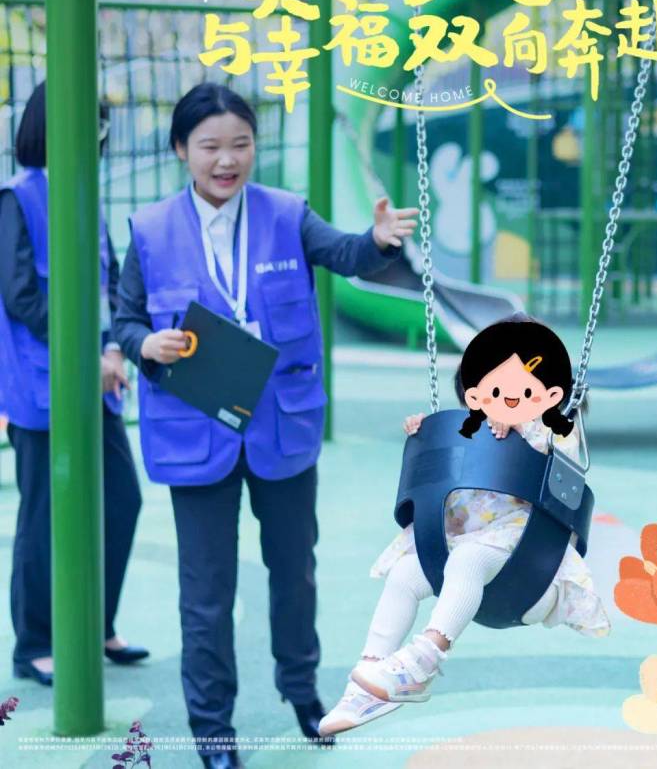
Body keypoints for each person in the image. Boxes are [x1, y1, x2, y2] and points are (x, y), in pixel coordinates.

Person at [113, 81, 419, 769]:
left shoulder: (286, 213)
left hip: (281, 427)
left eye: (241, 144)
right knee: (206, 593)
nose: (227, 160)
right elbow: (126, 317)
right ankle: (213, 730)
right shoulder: (150, 229)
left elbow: (346, 253)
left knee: (295, 572)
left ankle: (302, 693)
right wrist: (144, 344)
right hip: (196, 431)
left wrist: (377, 240)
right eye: (210, 146)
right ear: (181, 149)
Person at [319, 314, 611, 736]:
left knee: (467, 559)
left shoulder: (556, 430)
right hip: (472, 553)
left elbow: (556, 450)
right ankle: (369, 679)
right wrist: (428, 433)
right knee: (405, 573)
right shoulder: (479, 427)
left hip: (533, 569)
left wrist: (522, 427)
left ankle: (423, 661)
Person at [0, 81, 148, 688]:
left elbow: (108, 282)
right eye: (86, 122)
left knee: (122, 497)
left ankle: (94, 623)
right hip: (40, 383)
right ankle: (35, 643)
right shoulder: (16, 197)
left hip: (93, 377)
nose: (96, 135)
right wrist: (90, 348)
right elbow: (21, 297)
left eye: (101, 125)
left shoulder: (86, 194)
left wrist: (110, 348)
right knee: (43, 513)